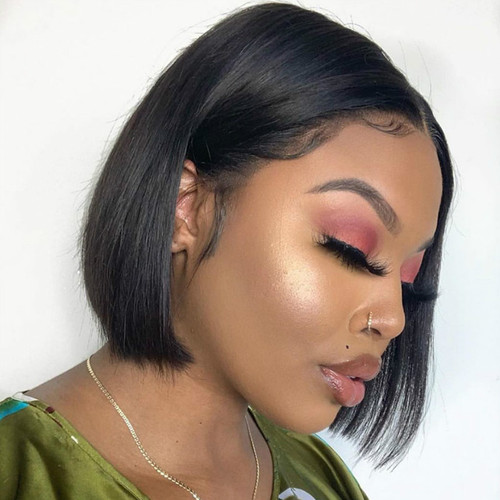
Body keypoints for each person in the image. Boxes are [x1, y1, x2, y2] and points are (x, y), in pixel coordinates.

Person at [0, 2, 454, 499]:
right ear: (185, 206)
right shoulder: (19, 471)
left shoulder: (321, 478)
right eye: (350, 249)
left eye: (408, 280)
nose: (394, 319)